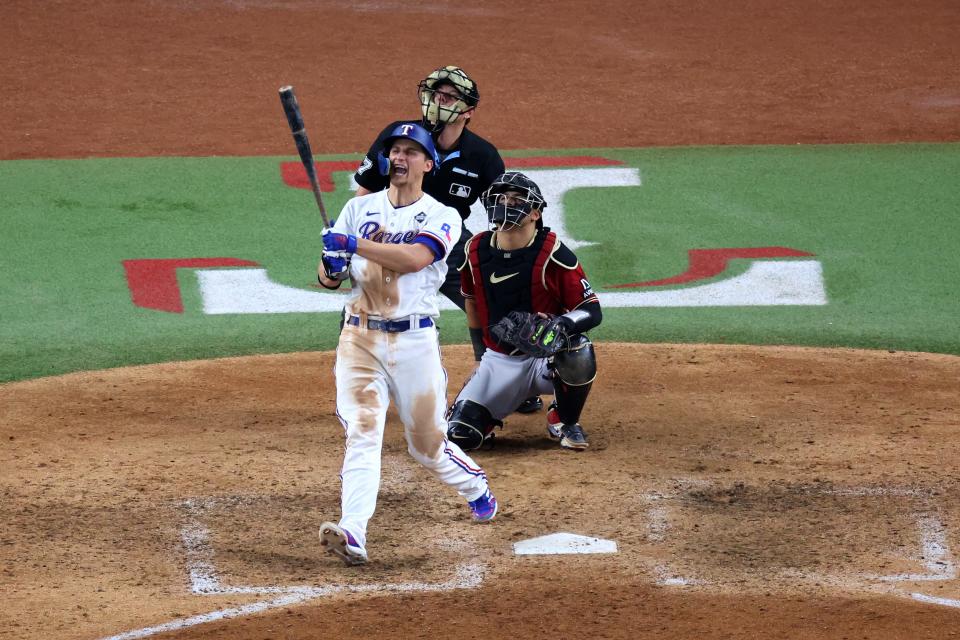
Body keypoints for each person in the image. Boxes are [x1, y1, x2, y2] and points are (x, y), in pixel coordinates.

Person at [317, 123, 497, 567]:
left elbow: (416, 258)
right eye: (394, 150)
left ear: (427, 164)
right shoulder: (358, 208)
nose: (399, 157)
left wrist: (353, 245)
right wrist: (332, 264)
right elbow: (325, 279)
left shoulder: (443, 215)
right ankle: (353, 532)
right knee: (363, 430)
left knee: (428, 447)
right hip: (359, 337)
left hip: (414, 341)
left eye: (410, 152)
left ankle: (476, 489)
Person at [353, 65, 543, 415]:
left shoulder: (482, 156)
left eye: (448, 97)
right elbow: (363, 196)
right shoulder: (400, 138)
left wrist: (505, 258)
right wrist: (350, 238)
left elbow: (503, 212)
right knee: (364, 305)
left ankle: (505, 376)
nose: (438, 101)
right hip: (392, 233)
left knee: (491, 296)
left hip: (449, 238)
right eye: (435, 94)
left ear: (467, 111)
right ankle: (363, 383)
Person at [446, 172, 602, 452]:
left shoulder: (553, 253)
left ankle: (565, 420)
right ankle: (493, 409)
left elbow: (591, 309)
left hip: (546, 359)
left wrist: (562, 324)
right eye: (501, 198)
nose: (506, 204)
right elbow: (471, 302)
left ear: (535, 213)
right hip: (499, 361)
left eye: (516, 200)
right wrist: (480, 357)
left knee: (578, 350)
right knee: (460, 437)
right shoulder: (475, 250)